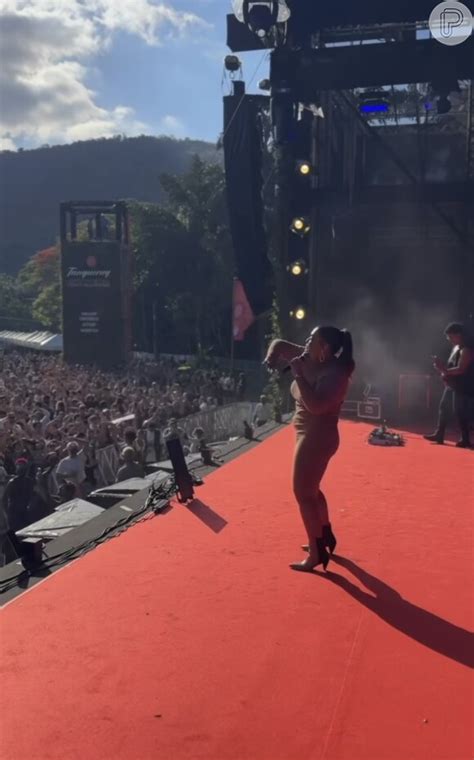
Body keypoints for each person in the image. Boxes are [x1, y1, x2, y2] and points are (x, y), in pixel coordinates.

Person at [265, 325, 355, 572]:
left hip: (318, 437)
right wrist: (271, 356)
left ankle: (316, 553)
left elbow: (316, 406)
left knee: (303, 494)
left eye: (312, 338)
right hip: (307, 434)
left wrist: (298, 375)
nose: (306, 341)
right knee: (311, 490)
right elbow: (281, 344)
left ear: (324, 347)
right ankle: (324, 536)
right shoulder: (310, 355)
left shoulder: (336, 374)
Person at [424, 322, 474, 448]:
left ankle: (465, 439)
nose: (450, 340)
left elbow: (461, 369)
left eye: (451, 337)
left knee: (460, 412)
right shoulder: (457, 347)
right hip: (453, 384)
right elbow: (451, 367)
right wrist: (442, 370)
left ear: (459, 334)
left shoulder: (468, 348)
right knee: (444, 408)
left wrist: (444, 370)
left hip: (464, 385)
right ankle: (439, 434)